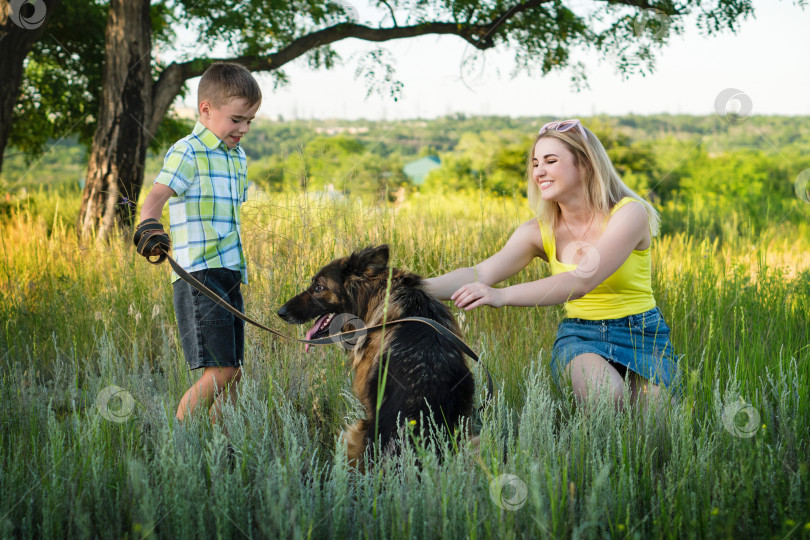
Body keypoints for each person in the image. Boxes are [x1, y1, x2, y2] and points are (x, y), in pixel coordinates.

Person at [424, 119, 682, 413]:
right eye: (535, 163)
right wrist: (407, 288)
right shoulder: (537, 231)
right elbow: (480, 273)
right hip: (582, 337)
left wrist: (501, 295)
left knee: (658, 427)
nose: (539, 172)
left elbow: (583, 280)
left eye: (550, 161)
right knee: (607, 398)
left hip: (642, 335)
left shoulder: (629, 213)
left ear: (584, 164)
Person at [135, 62, 262, 424]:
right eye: (236, 119)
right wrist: (148, 224)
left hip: (230, 271)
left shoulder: (237, 157)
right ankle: (182, 447)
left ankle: (223, 450)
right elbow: (156, 195)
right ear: (206, 109)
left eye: (250, 120)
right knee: (219, 372)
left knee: (233, 372)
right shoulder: (187, 151)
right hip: (199, 275)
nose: (244, 129)